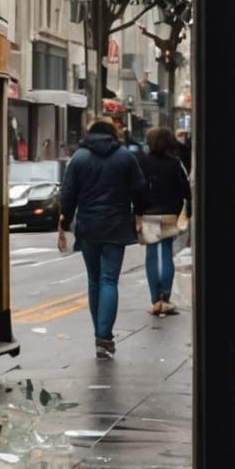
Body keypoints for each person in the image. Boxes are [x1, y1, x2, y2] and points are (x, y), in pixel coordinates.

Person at [57, 117, 150, 360]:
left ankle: (99, 334)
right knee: (110, 280)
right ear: (112, 134)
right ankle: (104, 336)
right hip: (116, 226)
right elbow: (140, 189)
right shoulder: (125, 157)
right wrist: (138, 213)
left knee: (94, 280)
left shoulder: (79, 158)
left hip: (88, 226)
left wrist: (64, 223)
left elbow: (68, 194)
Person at [138, 125, 192, 316]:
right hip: (170, 213)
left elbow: (137, 190)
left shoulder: (142, 163)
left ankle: (155, 300)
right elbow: (186, 190)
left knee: (152, 255)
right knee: (167, 253)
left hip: (148, 214)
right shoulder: (175, 163)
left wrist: (137, 214)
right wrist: (185, 212)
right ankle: (166, 299)